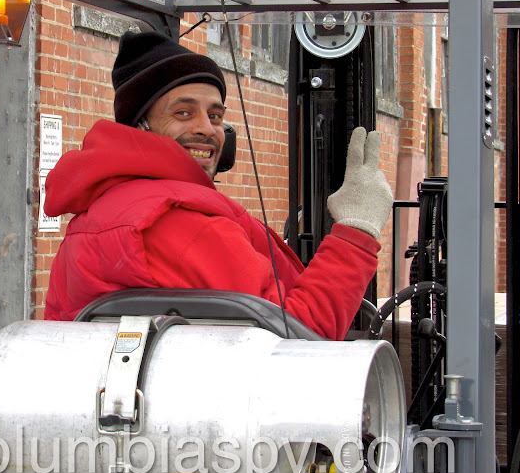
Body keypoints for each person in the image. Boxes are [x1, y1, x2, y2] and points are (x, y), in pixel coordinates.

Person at [43, 31, 393, 340]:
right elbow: (300, 335)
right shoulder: (177, 222)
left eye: (215, 116)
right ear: (140, 126)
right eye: (183, 113)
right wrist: (356, 232)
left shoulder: (98, 213)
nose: (206, 129)